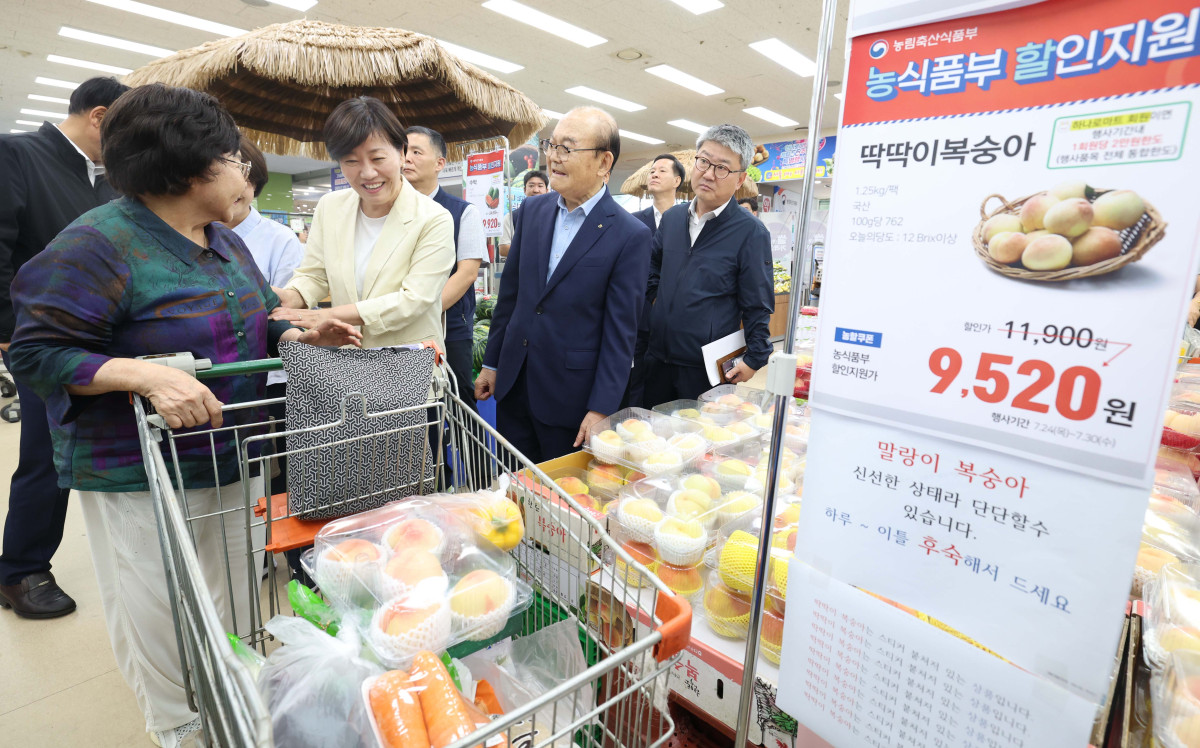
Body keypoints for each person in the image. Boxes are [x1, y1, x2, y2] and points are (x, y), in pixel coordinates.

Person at [6, 83, 360, 748]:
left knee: (228, 605)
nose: (244, 169)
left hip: (231, 461)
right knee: (159, 618)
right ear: (190, 164)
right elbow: (36, 351)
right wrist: (141, 375)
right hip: (143, 478)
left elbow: (258, 318)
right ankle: (178, 731)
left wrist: (297, 335)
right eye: (232, 156)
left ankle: (224, 711)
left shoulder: (225, 243)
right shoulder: (98, 244)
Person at [0, 75, 129, 619]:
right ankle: (21, 570)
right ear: (98, 116)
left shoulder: (105, 179)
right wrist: (12, 335)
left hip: (99, 347)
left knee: (87, 451)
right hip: (38, 341)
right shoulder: (18, 156)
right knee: (45, 458)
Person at [475, 107, 650, 462]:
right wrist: (492, 363)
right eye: (551, 145)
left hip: (571, 397)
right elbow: (511, 297)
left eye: (567, 148)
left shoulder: (630, 235)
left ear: (604, 162)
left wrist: (601, 407)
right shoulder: (533, 211)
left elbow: (621, 333)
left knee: (562, 504)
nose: (553, 157)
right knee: (513, 490)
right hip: (515, 384)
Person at [271, 97, 456, 350]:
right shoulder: (331, 206)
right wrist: (292, 296)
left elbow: (413, 301)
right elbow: (315, 274)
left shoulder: (434, 218)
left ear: (402, 153)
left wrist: (329, 315)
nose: (367, 173)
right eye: (351, 161)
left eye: (378, 158)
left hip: (409, 366)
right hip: (348, 365)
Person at [643, 124, 774, 406]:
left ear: (740, 180)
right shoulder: (673, 219)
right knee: (651, 440)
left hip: (706, 369)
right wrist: (657, 302)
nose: (709, 173)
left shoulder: (750, 232)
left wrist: (754, 359)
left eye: (722, 168)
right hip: (657, 358)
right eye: (704, 161)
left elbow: (758, 303)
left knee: (699, 443)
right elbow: (652, 268)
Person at [222, 134, 305, 496]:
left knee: (289, 464)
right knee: (246, 470)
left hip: (277, 372)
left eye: (247, 183)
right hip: (228, 376)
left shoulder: (280, 238)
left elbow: (282, 307)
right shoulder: (197, 236)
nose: (238, 192)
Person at [402, 125, 488, 407]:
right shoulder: (389, 211)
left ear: (440, 163)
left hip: (449, 325)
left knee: (459, 403)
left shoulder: (463, 211)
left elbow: (467, 273)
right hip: (398, 325)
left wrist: (420, 312)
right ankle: (430, 453)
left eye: (416, 151)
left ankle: (472, 455)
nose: (406, 158)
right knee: (416, 406)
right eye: (403, 150)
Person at [498, 169, 548, 258]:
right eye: (531, 186)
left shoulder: (555, 215)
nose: (536, 190)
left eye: (540, 186)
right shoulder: (511, 217)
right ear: (524, 190)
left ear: (547, 190)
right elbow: (504, 249)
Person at [633, 153, 686, 232]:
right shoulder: (634, 220)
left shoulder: (688, 219)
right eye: (652, 171)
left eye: (662, 171)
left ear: (676, 181)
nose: (655, 175)